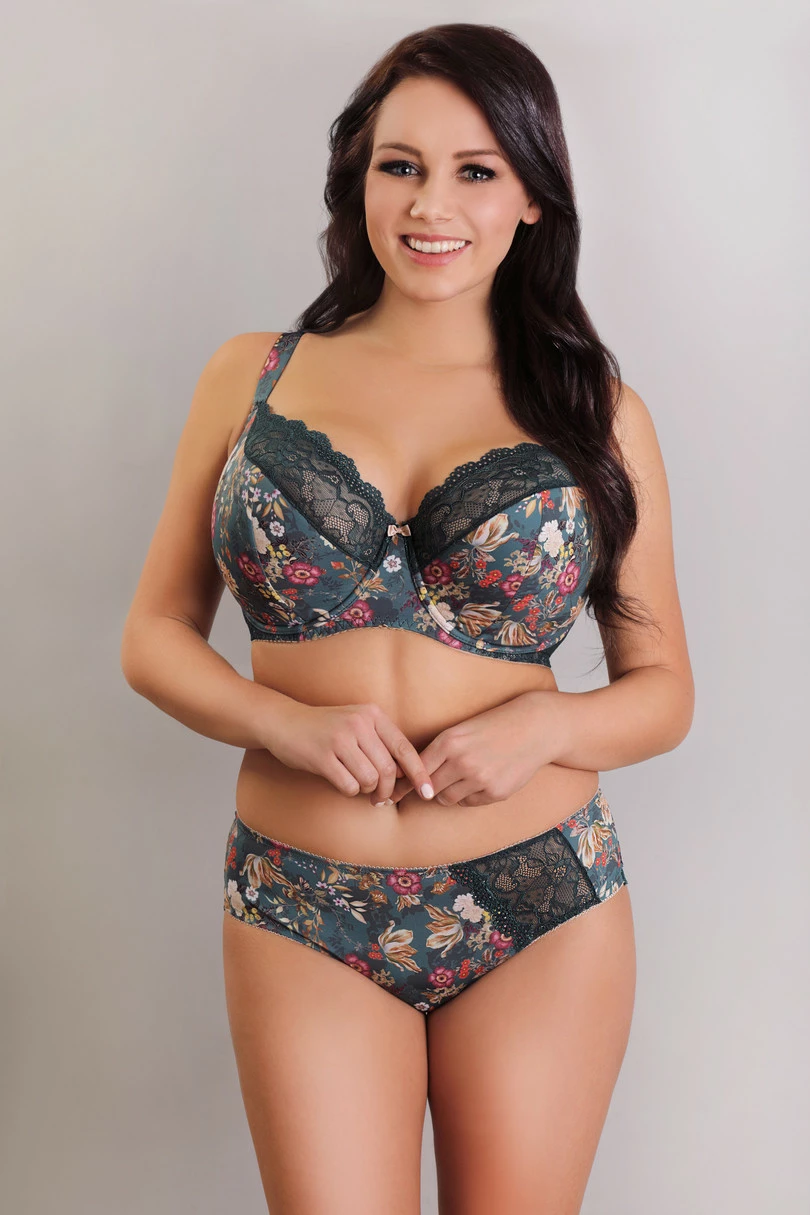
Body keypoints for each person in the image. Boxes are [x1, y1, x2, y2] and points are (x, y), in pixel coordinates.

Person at [121, 21, 693, 1215]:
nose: (433, 205)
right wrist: (283, 723)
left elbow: (664, 693)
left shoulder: (598, 413)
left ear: (533, 196)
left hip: (540, 901)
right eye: (401, 166)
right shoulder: (252, 376)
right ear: (360, 179)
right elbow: (154, 636)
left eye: (477, 170)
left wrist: (546, 728)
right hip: (301, 900)